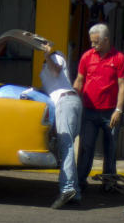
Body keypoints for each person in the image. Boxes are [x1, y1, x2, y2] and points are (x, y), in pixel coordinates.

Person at [73, 23, 124, 192]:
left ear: (106, 40)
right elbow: (79, 80)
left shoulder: (119, 58)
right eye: (91, 42)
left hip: (110, 111)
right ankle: (80, 180)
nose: (93, 45)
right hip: (89, 110)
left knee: (110, 148)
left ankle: (109, 182)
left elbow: (123, 85)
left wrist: (119, 110)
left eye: (96, 42)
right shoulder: (87, 57)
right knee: (86, 146)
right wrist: (75, 100)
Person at [40, 42, 82, 209]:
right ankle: (75, 192)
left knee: (66, 146)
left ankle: (67, 188)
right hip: (69, 102)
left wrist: (47, 55)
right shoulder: (45, 67)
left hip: (66, 102)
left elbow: (56, 70)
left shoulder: (56, 57)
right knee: (67, 146)